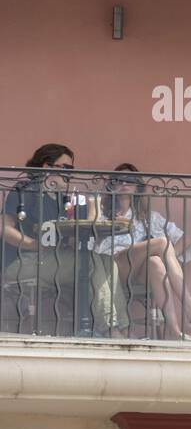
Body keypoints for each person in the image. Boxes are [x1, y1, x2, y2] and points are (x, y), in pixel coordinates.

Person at [1, 143, 121, 334]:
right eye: (65, 168)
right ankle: (109, 330)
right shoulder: (26, 190)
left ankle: (115, 328)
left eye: (71, 169)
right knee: (89, 261)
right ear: (47, 168)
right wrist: (34, 245)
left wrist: (92, 208)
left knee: (107, 262)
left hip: (54, 261)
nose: (69, 173)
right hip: (22, 261)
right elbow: (4, 228)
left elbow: (84, 231)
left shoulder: (64, 200)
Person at [97, 163, 191, 340]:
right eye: (119, 179)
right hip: (112, 266)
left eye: (130, 179)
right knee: (161, 242)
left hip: (138, 271)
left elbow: (186, 239)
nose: (124, 182)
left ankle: (175, 332)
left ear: (138, 185)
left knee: (156, 263)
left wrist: (168, 255)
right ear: (112, 185)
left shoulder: (149, 217)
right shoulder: (102, 214)